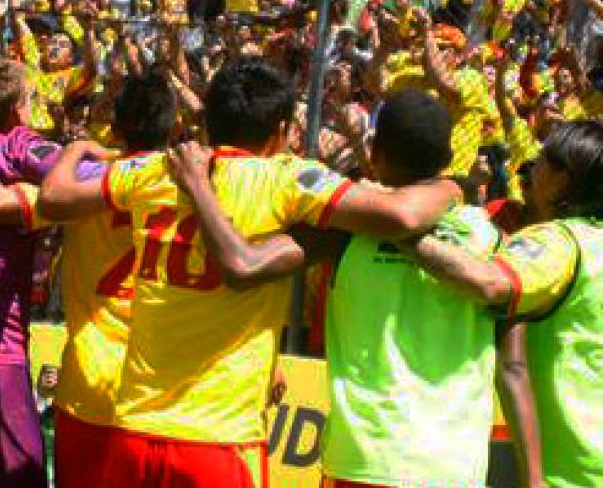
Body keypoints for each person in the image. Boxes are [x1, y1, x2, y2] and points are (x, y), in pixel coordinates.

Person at [38, 57, 461, 486]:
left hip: (133, 431)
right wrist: (452, 186)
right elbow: (404, 216)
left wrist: (79, 147)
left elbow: (53, 200)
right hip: (219, 439)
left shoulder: (158, 169)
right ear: (280, 131)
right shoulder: (286, 180)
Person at [165, 89, 544, 487]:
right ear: (449, 160)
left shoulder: (344, 231)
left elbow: (247, 265)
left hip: (360, 462)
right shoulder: (492, 239)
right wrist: (534, 479)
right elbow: (514, 367)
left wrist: (199, 187)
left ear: (375, 154)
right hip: (451, 467)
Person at [0, 70, 177, 488]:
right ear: (175, 126)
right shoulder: (189, 186)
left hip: (90, 385)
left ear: (116, 127)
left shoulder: (77, 190)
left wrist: (74, 152)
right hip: (167, 387)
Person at [403, 120, 603, 486]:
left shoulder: (559, 242)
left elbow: (490, 283)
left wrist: (403, 233)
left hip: (570, 469)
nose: (528, 170)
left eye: (541, 161)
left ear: (562, 180)